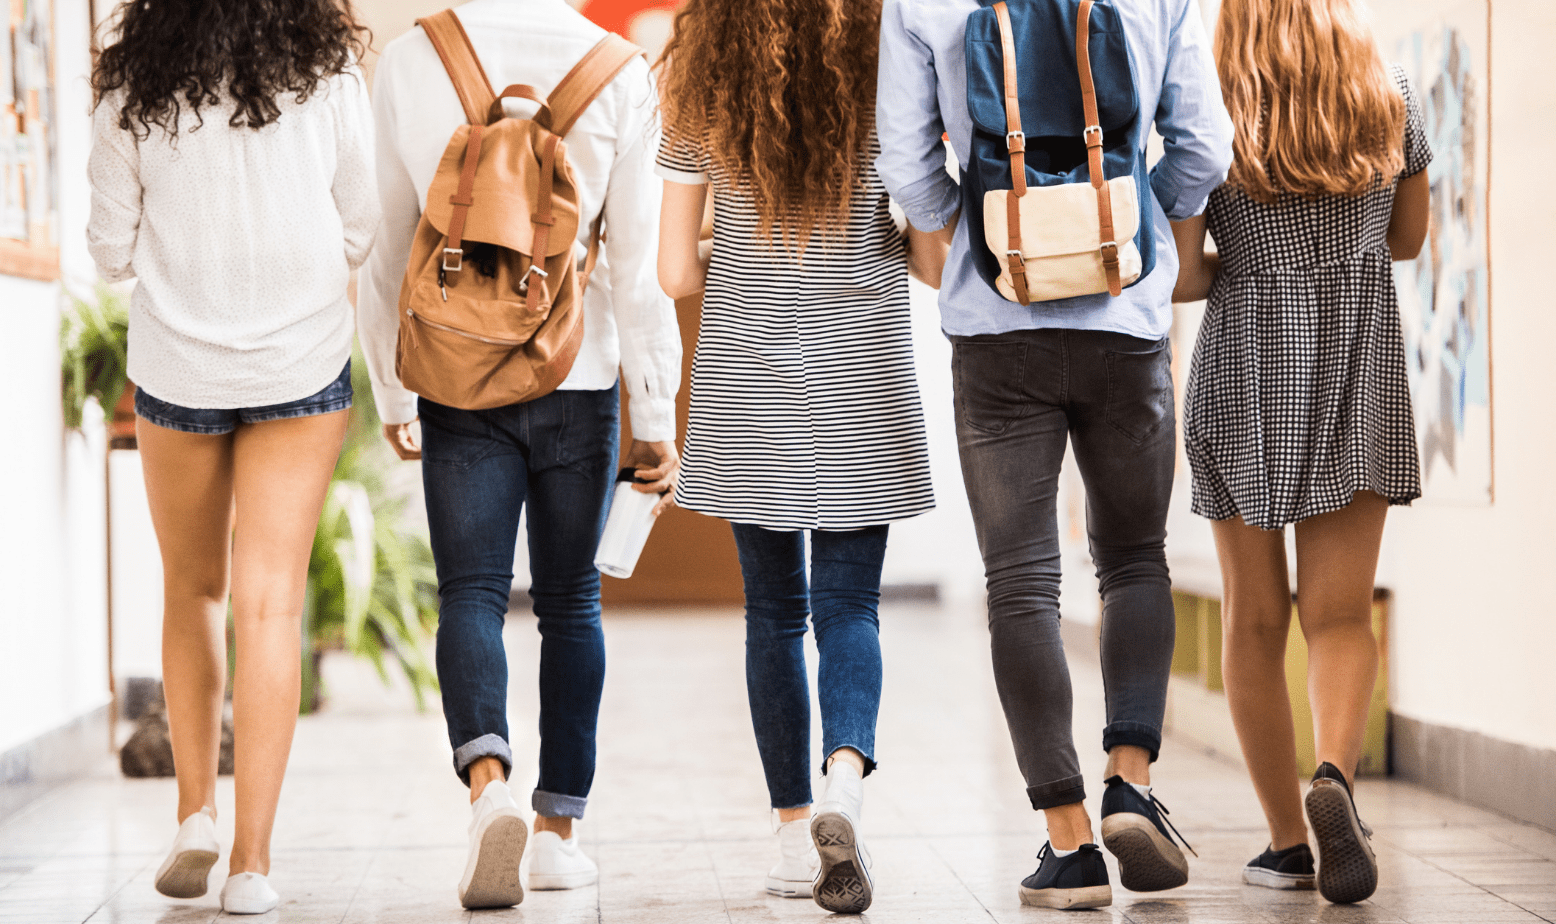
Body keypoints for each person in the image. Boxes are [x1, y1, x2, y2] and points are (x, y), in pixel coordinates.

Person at [876, 0, 1232, 909]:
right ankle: (1131, 780)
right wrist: (1131, 218)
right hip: (1126, 319)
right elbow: (1205, 145)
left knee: (1022, 582)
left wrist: (993, 229)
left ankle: (1069, 844)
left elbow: (909, 172)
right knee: (1133, 558)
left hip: (998, 329)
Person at [356, 0, 682, 909]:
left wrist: (392, 386)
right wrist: (654, 411)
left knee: (470, 593)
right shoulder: (617, 71)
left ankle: (486, 787)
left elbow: (389, 250)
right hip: (579, 376)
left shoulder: (415, 58)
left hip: (457, 378)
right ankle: (554, 836)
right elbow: (639, 272)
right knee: (571, 605)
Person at [85, 0, 376, 914]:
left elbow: (106, 250)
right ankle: (251, 864)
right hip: (300, 360)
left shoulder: (133, 85)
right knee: (269, 602)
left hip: (178, 368)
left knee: (192, 589)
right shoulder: (327, 78)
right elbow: (362, 229)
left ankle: (194, 816)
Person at [655, 0, 934, 913]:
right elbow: (930, 252)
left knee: (772, 616)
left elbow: (673, 271)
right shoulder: (886, 60)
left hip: (748, 378)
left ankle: (790, 832)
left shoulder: (707, 76)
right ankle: (846, 778)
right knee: (850, 605)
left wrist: (734, 239)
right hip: (863, 373)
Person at [1171, 0, 1431, 904]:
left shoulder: (1207, 105)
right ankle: (1335, 780)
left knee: (1252, 618)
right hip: (1356, 368)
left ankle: (1288, 841)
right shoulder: (1389, 96)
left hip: (1243, 372)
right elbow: (1406, 239)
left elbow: (1183, 271)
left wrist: (1248, 267)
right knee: (1340, 616)